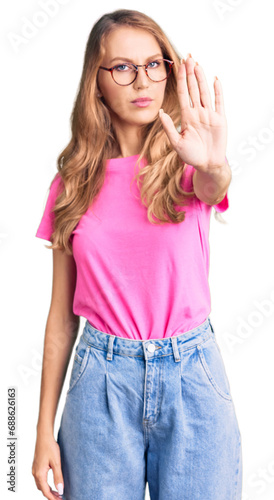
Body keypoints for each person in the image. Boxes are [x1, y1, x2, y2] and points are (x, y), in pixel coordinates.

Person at [31, 8, 242, 500]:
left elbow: (214, 186)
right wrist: (41, 430)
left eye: (154, 64)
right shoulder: (72, 185)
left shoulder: (189, 166)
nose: (141, 80)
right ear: (97, 82)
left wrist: (215, 164)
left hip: (193, 377)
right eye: (123, 67)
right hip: (100, 382)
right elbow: (61, 317)